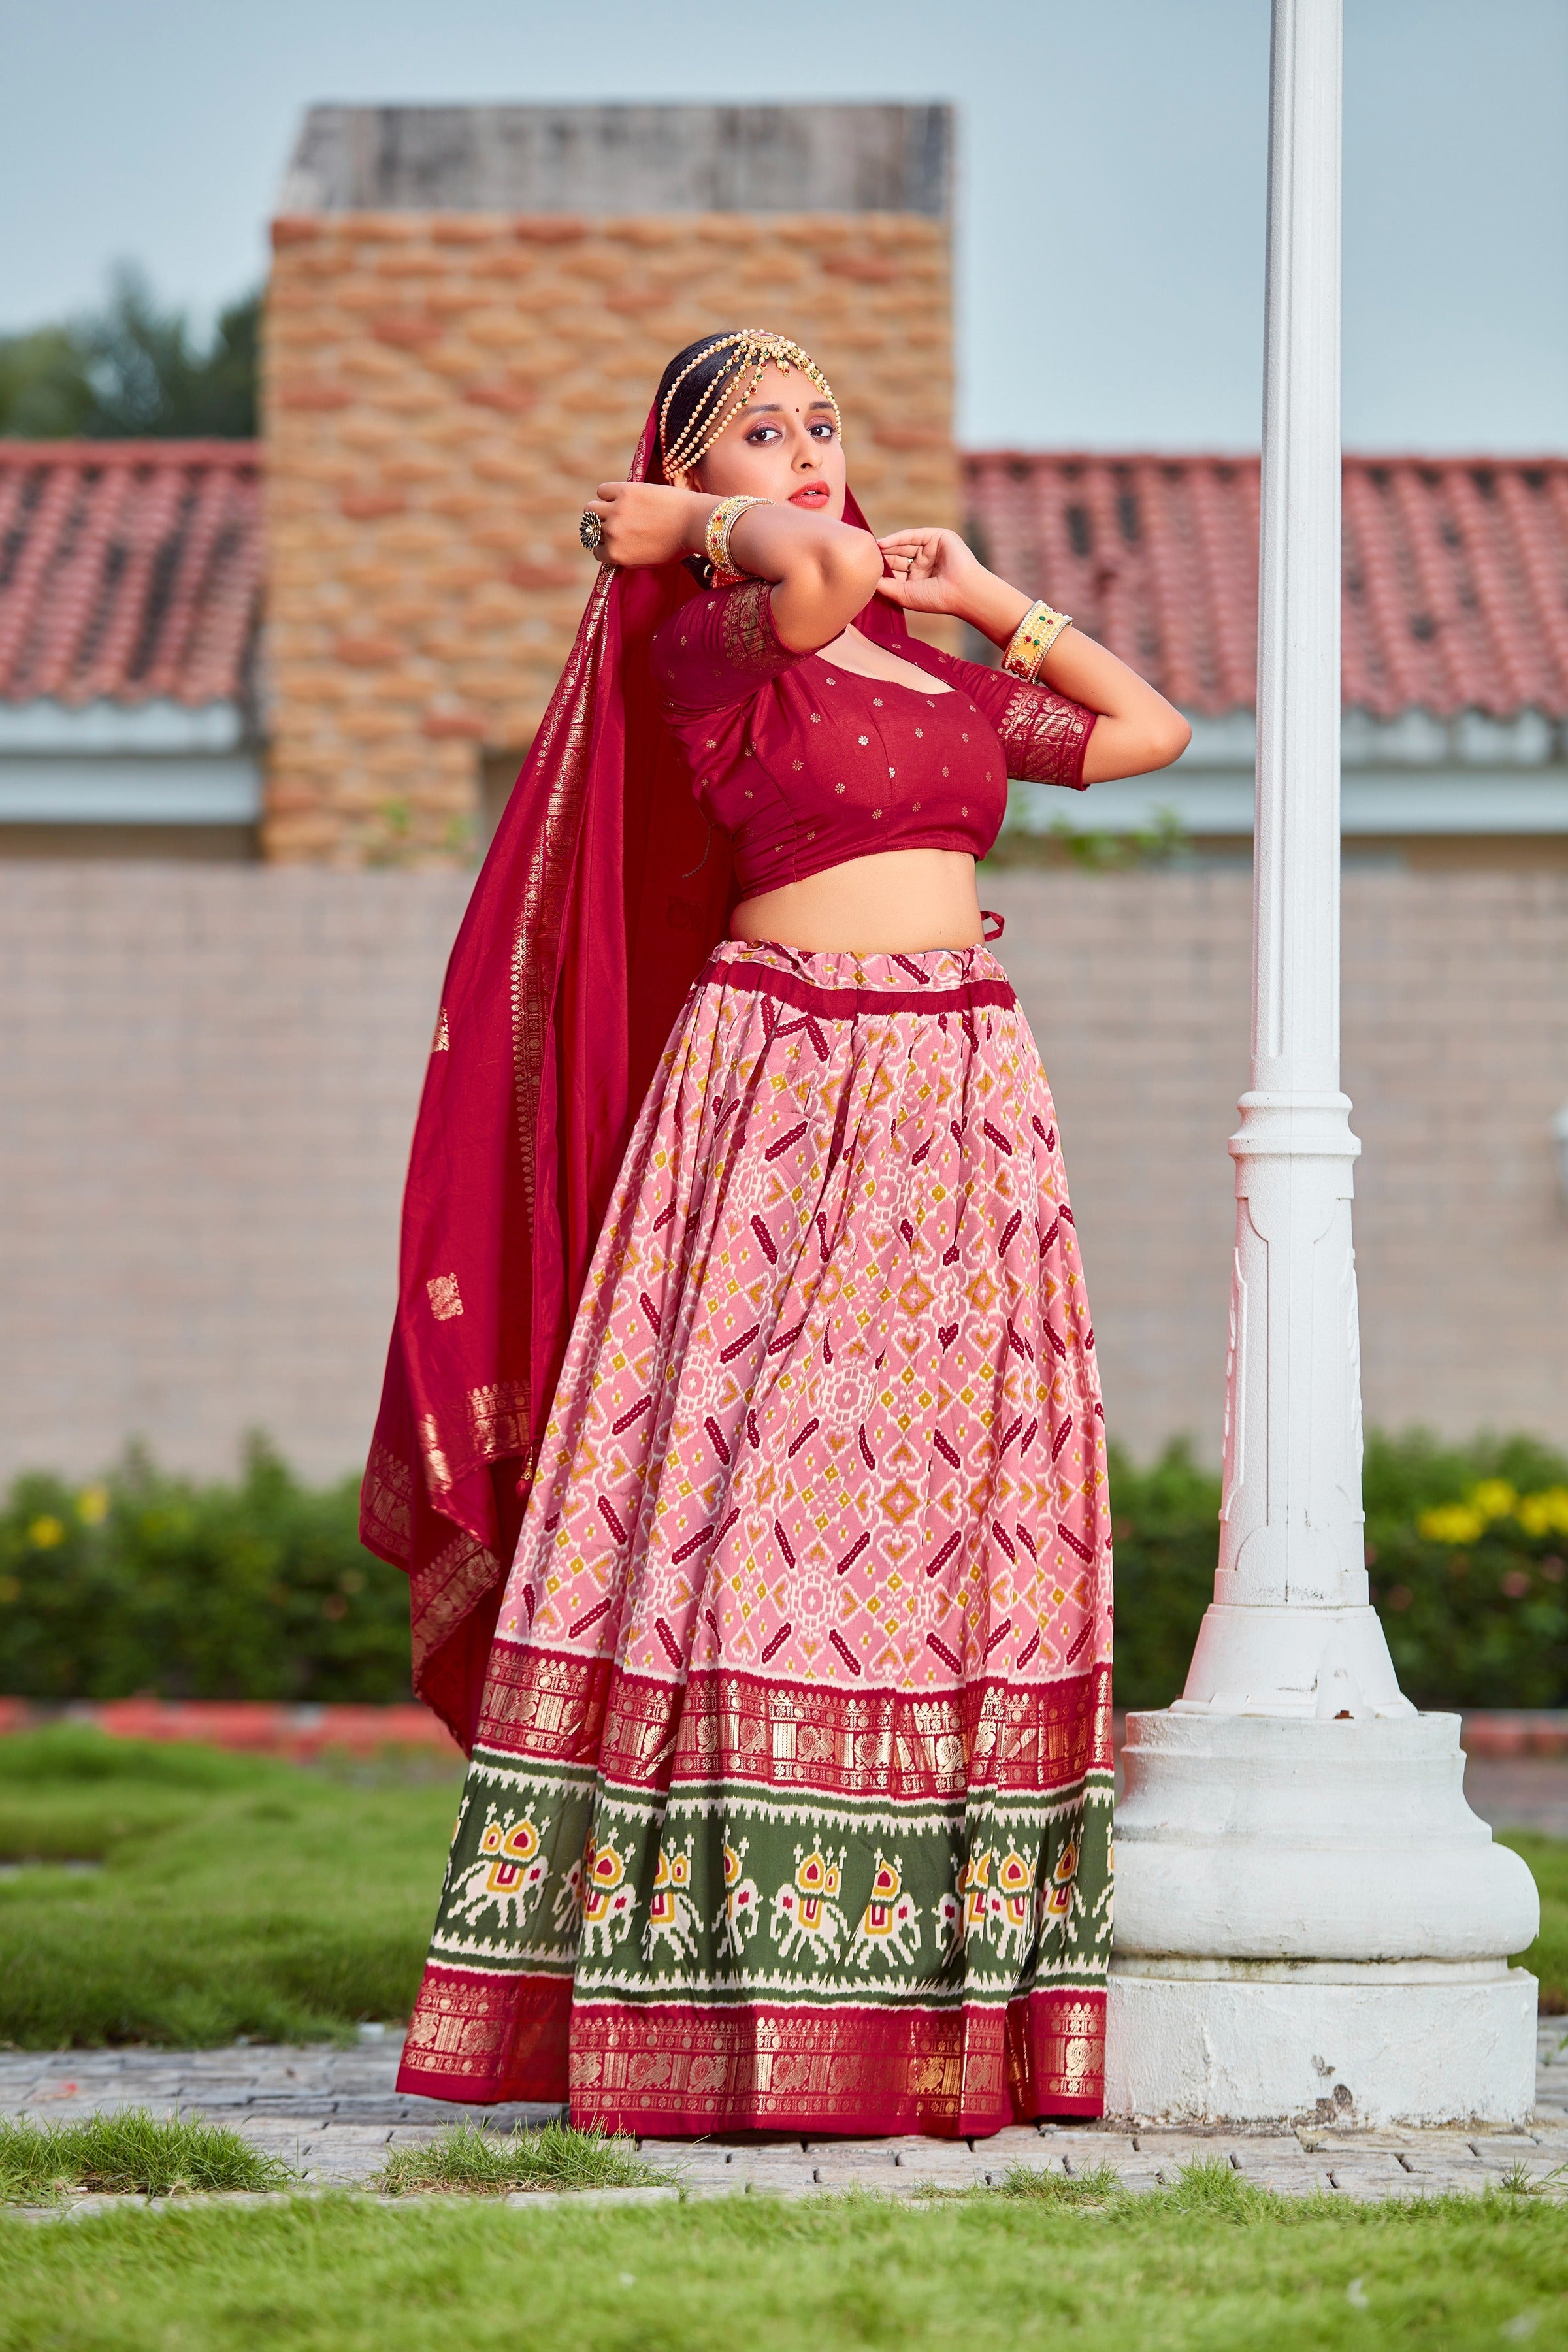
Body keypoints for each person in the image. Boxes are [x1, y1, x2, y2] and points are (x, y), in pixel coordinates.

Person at [365, 330, 1188, 2138]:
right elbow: (807, 570)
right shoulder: (721, 640)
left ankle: (916, 2014)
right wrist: (693, 536)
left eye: (829, 422)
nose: (812, 454)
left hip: (962, 1104)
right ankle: (704, 2007)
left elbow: (1147, 732)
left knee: (957, 1536)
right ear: (688, 472)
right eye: (764, 431)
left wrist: (987, 597)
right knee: (746, 1528)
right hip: (787, 1087)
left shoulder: (921, 667)